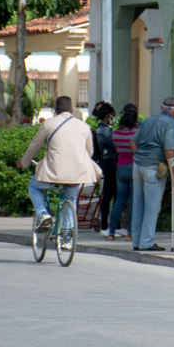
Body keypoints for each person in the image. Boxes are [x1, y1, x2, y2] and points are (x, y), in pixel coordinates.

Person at [18, 96, 101, 230]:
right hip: (76, 172)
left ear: (55, 110)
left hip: (53, 172)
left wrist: (24, 163)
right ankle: (67, 234)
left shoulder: (48, 125)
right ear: (72, 109)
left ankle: (42, 213)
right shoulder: (84, 126)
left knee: (33, 186)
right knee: (71, 198)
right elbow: (89, 152)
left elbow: (34, 147)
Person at [131, 96, 174, 252]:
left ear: (161, 108)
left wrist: (139, 157)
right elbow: (169, 150)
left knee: (138, 204)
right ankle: (146, 242)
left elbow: (133, 141)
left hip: (138, 165)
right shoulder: (171, 124)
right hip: (154, 167)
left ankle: (137, 241)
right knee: (152, 207)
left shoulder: (148, 121)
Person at [107, 104, 140, 241]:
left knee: (119, 201)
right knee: (133, 201)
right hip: (133, 167)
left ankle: (111, 232)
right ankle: (130, 233)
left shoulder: (115, 133)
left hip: (120, 168)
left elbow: (117, 148)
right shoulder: (136, 133)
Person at [91, 102, 118, 236]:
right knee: (109, 194)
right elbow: (115, 145)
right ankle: (106, 226)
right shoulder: (105, 131)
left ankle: (109, 225)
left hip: (106, 162)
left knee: (111, 194)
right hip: (110, 162)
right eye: (113, 115)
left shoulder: (101, 129)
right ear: (108, 115)